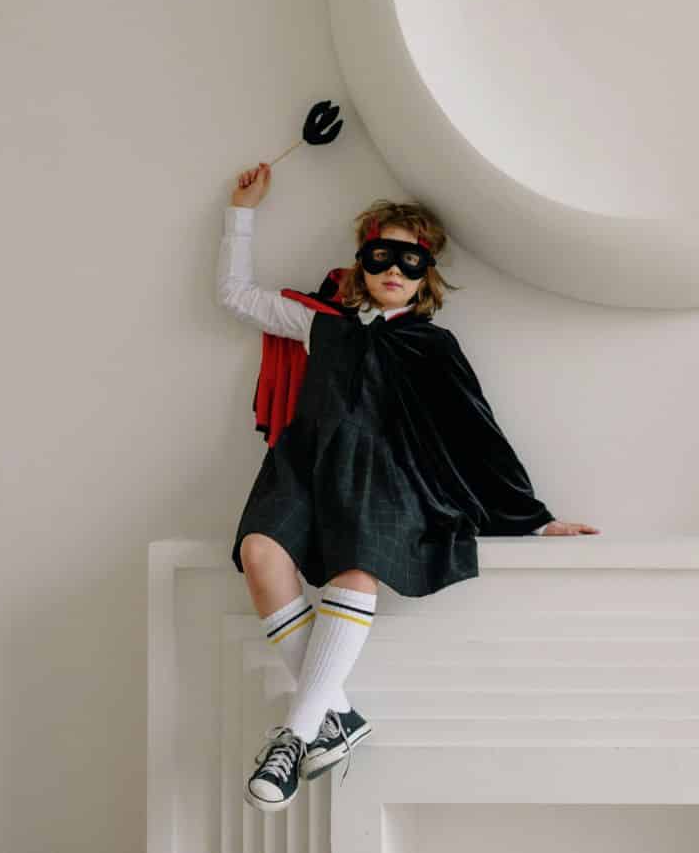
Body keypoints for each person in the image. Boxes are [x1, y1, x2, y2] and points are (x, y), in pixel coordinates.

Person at [217, 162, 598, 811]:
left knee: (356, 574)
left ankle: (296, 734)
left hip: (383, 480)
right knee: (259, 553)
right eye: (383, 254)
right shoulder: (319, 324)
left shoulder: (433, 347)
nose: (395, 269)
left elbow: (475, 434)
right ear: (362, 259)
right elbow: (235, 294)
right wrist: (241, 212)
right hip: (302, 467)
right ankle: (340, 716)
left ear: (427, 275)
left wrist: (532, 518)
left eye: (412, 261)